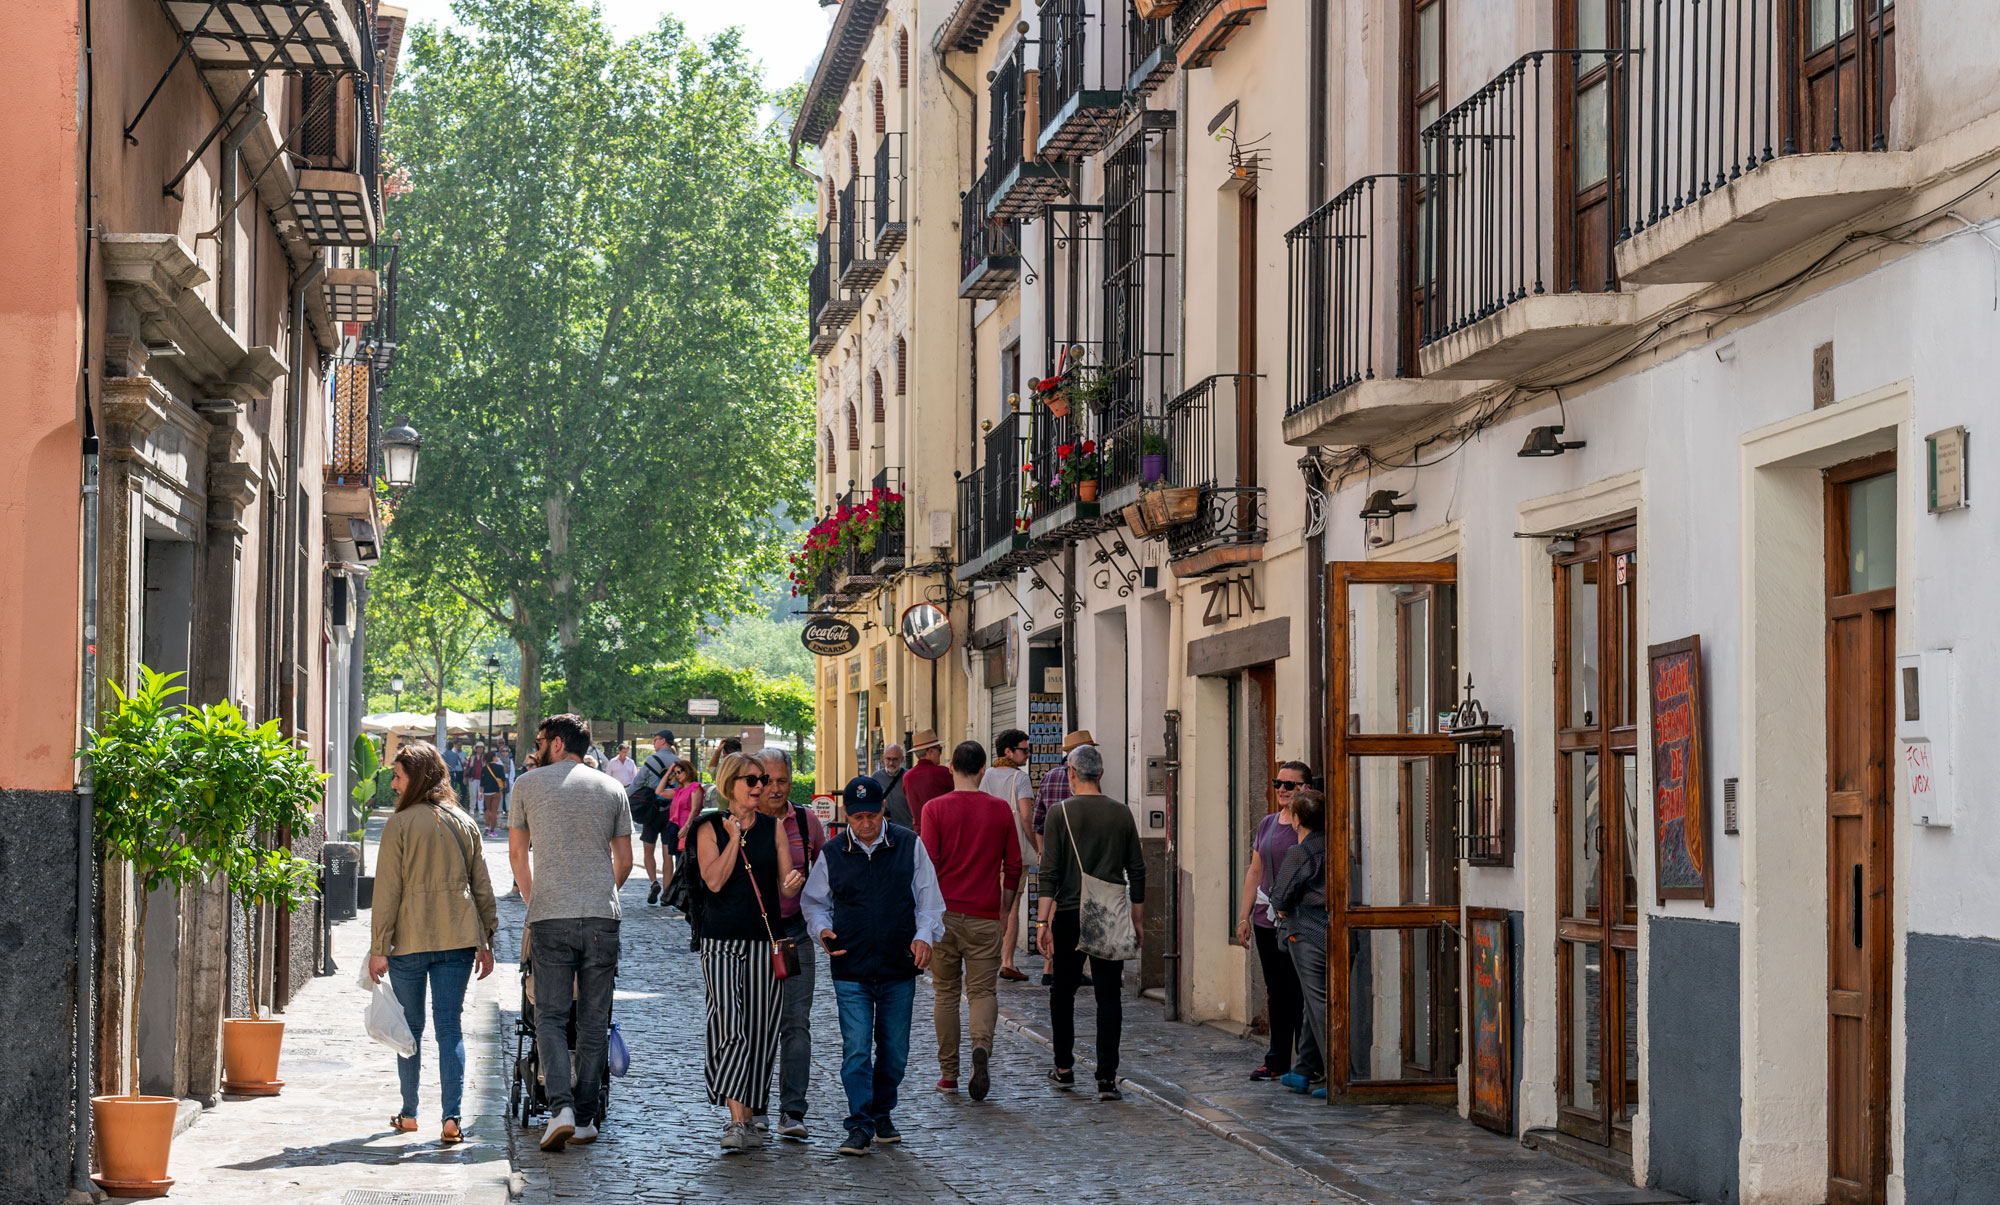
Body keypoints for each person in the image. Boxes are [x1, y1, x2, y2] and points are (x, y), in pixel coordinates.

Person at [507, 714, 634, 1152]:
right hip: (602, 918)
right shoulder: (613, 788)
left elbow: (518, 856)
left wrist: (533, 901)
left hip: (550, 917)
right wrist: (601, 893)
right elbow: (625, 861)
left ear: (557, 744)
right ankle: (584, 1119)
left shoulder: (528, 785)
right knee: (595, 1020)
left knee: (550, 1016)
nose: (538, 746)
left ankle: (559, 1107)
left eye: (542, 740)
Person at [801, 776, 945, 1157]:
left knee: (895, 1051)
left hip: (899, 966)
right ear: (847, 815)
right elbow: (814, 903)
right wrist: (824, 931)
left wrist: (924, 936)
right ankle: (860, 1124)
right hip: (851, 967)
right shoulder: (832, 852)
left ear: (884, 809)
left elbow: (930, 902)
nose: (866, 823)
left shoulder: (909, 845)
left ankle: (882, 1112)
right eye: (858, 816)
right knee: (856, 1050)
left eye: (872, 814)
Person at [368, 742, 498, 1145]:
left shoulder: (400, 824)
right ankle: (452, 1119)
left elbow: (387, 890)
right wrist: (487, 938)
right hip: (457, 937)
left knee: (411, 1030)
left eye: (399, 776)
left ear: (417, 777)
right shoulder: (464, 820)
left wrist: (378, 946)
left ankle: (409, 1114)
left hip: (408, 940)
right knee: (449, 1028)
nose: (393, 784)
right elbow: (482, 886)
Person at [694, 752, 803, 1151]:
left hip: (764, 943)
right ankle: (737, 1123)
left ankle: (751, 1117)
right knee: (731, 1028)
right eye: (752, 780)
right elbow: (715, 881)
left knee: (760, 1034)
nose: (761, 787)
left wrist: (792, 883)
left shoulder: (774, 828)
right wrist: (735, 836)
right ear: (730, 784)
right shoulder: (708, 828)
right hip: (721, 943)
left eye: (763, 780)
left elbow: (786, 882)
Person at [1037, 743, 1144, 1102]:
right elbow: (1138, 872)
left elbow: (1048, 873)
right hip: (1110, 914)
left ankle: (1064, 1067)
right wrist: (1137, 919)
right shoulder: (1122, 813)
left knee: (1062, 993)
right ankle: (1106, 1078)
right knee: (1108, 995)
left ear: (1071, 773)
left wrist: (1041, 923)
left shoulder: (1059, 813)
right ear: (1100, 774)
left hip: (1068, 913)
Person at [921, 741, 1022, 1099]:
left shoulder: (934, 809)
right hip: (984, 915)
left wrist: (923, 914)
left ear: (950, 767)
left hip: (943, 916)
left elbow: (927, 865)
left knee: (945, 993)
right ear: (983, 770)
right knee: (982, 991)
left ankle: (949, 1074)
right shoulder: (999, 811)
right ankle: (982, 1044)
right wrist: (1005, 908)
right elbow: (1013, 866)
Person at [752, 747, 826, 1138]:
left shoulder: (806, 821)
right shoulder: (743, 822)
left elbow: (823, 876)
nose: (775, 789)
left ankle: (793, 1112)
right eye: (768, 781)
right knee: (757, 1024)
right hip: (752, 937)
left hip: (794, 936)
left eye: (783, 781)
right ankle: (756, 1106)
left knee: (796, 1022)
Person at [1236, 760, 1316, 1082]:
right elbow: (1255, 872)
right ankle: (1277, 1058)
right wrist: (1243, 917)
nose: (1282, 790)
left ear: (1305, 788)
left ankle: (1307, 1063)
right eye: (1277, 783)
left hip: (1298, 919)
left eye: (1289, 785)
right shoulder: (1268, 823)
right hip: (1266, 919)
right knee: (1276, 991)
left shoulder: (1310, 827)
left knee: (1300, 990)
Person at [1272, 787, 1329, 1099]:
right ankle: (1305, 1069)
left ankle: (1336, 1076)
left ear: (1296, 819)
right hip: (1331, 930)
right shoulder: (1334, 845)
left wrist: (1281, 904)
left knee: (1319, 1003)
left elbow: (1281, 893)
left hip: (1307, 931)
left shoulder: (1301, 851)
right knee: (1312, 1000)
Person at [1032, 729, 1095, 985]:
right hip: (1078, 857)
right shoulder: (1085, 780)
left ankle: (1050, 968)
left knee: (1052, 910)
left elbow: (1038, 820)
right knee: (1074, 913)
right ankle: (1068, 967)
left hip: (1052, 853)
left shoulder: (1048, 777)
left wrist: (1042, 852)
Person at [979, 728, 1037, 981]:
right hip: (1014, 852)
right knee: (1011, 906)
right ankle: (1007, 961)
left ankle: (985, 956)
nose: (1028, 754)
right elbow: (1026, 816)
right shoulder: (1020, 778)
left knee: (989, 903)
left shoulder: (986, 775)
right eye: (1024, 750)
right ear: (1009, 752)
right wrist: (1038, 847)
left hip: (988, 851)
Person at [628, 738, 680, 905]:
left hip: (651, 811)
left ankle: (653, 882)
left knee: (648, 851)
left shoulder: (651, 760)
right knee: (668, 854)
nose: (653, 743)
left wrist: (625, 797)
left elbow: (637, 783)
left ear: (663, 741)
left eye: (656, 739)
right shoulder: (679, 762)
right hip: (671, 812)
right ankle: (666, 894)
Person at [898, 730, 951, 834]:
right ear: (930, 751)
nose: (940, 753)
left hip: (920, 832)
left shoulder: (907, 777)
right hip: (943, 831)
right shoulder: (944, 772)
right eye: (939, 749)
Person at [480, 749, 509, 834]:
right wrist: (504, 786)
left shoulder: (484, 768)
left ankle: (486, 827)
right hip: (496, 791)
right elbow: (503, 779)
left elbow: (482, 782)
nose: (497, 757)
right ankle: (492, 831)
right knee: (494, 811)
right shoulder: (500, 767)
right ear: (493, 758)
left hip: (486, 792)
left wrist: (480, 793)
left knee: (488, 810)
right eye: (496, 756)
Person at [467, 741, 487, 831]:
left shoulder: (484, 758)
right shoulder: (472, 757)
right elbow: (468, 767)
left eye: (481, 747)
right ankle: (472, 808)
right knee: (473, 794)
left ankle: (481, 809)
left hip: (482, 778)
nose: (480, 749)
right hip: (473, 778)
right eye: (478, 747)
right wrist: (465, 777)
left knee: (481, 794)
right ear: (476, 748)